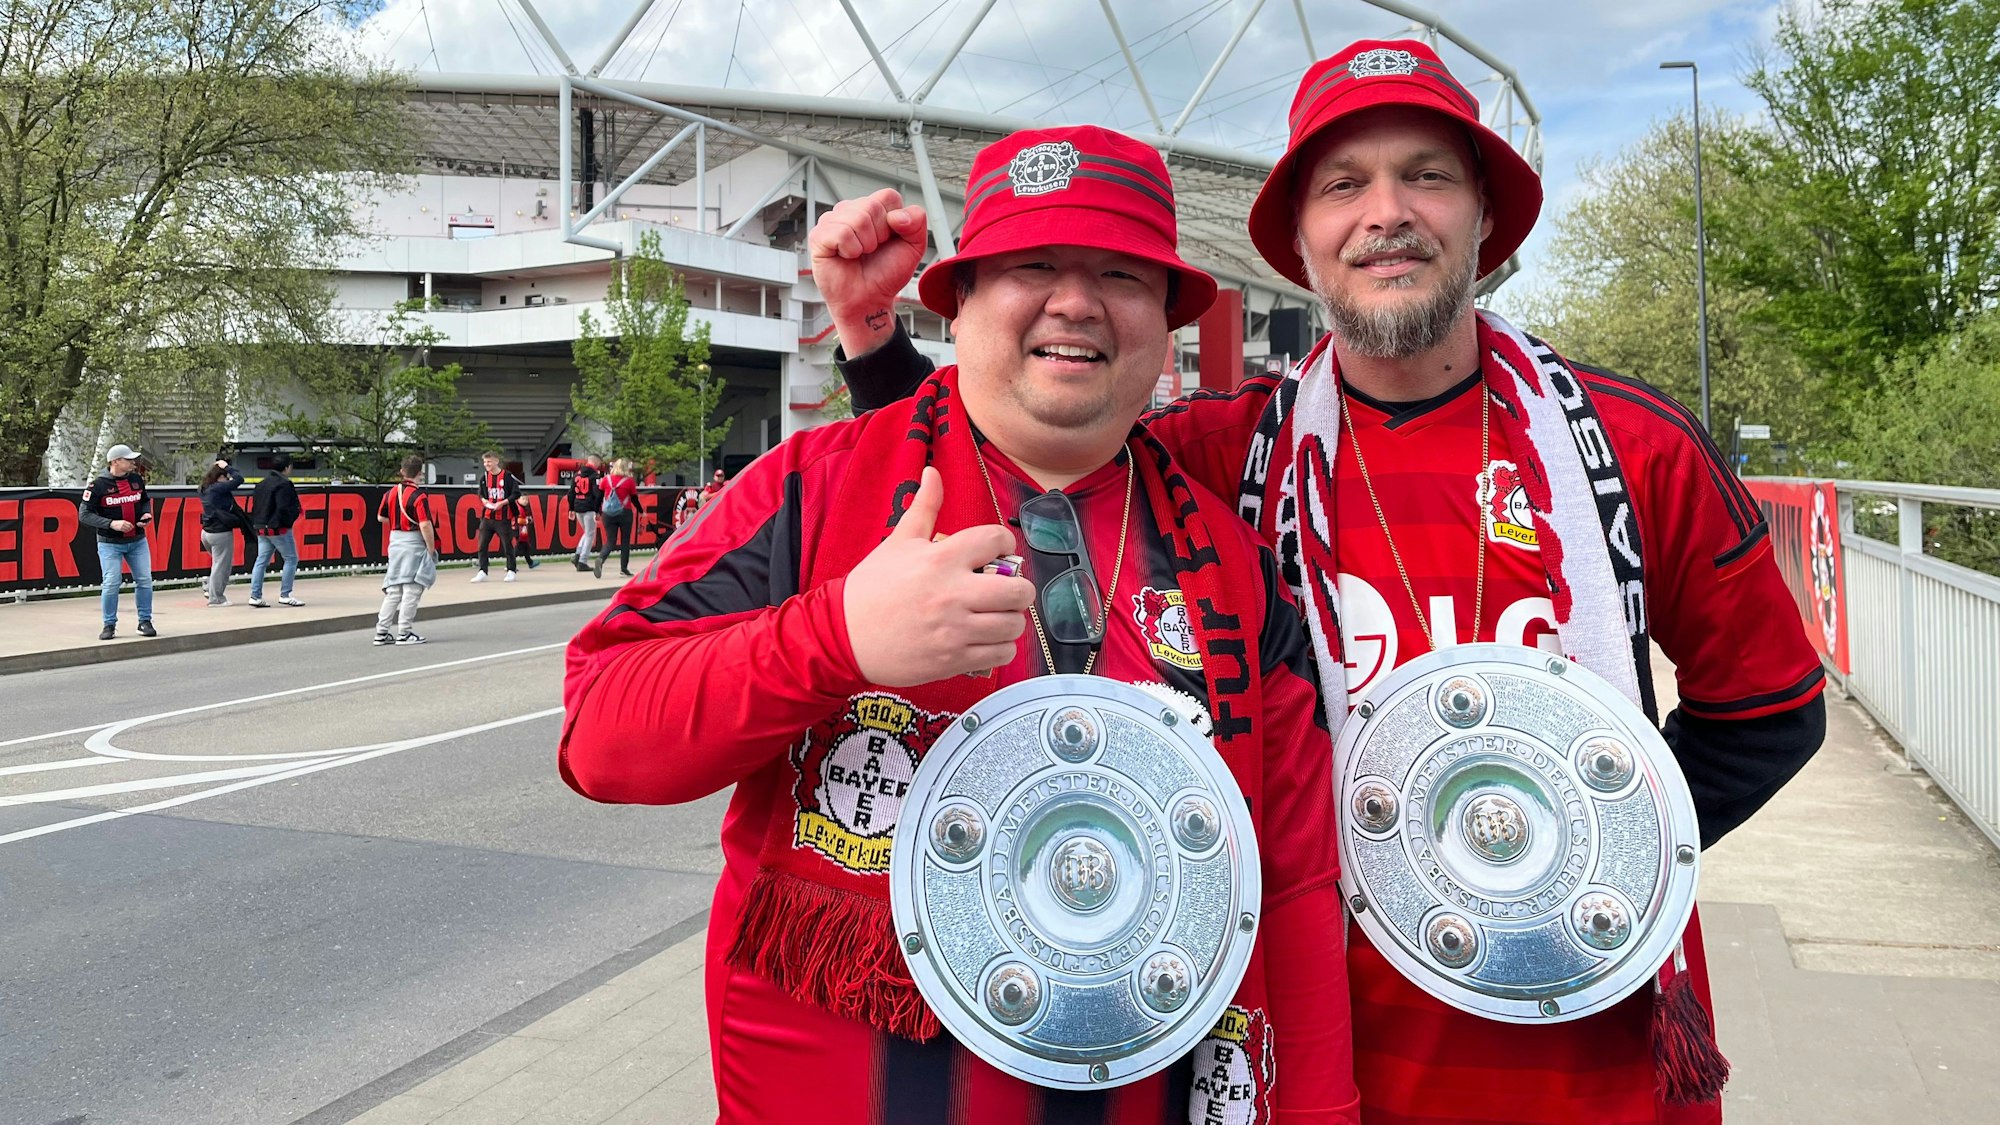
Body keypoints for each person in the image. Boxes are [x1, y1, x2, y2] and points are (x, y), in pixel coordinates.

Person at [823, 41, 1827, 1125]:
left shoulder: (1634, 449)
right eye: (1342, 185)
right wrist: (875, 342)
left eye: (1426, 175)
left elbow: (1769, 714)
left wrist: (1597, 861)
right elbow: (1005, 442)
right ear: (1297, 243)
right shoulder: (1221, 449)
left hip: (1593, 1063)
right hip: (1318, 1063)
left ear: (1483, 218)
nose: (1384, 212)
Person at [561, 125, 1359, 1124]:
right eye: (1031, 266)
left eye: (1120, 274)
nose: (1073, 301)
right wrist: (834, 640)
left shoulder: (1230, 565)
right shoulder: (810, 493)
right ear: (962, 301)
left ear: (1164, 322)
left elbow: (1288, 888)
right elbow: (600, 737)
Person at [78, 443, 157, 641]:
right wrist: (111, 523)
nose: (133, 463)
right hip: (109, 543)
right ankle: (109, 625)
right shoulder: (97, 486)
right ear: (115, 462)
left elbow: (144, 500)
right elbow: (84, 514)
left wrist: (146, 514)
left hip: (137, 540)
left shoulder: (137, 480)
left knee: (145, 580)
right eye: (128, 460)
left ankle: (145, 621)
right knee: (112, 582)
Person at [375, 454, 437, 646]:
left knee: (394, 589)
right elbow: (425, 524)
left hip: (395, 542)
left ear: (402, 471)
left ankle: (381, 631)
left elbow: (380, 518)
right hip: (414, 543)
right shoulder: (419, 496)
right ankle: (404, 632)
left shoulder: (390, 493)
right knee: (412, 588)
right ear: (420, 474)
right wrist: (431, 547)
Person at [248, 454, 304, 607]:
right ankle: (285, 594)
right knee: (291, 558)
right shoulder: (284, 485)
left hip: (261, 528)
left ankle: (255, 595)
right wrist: (289, 521)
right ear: (286, 467)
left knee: (261, 561)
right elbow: (284, 508)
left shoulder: (261, 484)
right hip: (278, 529)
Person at [197, 457, 247, 607]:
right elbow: (239, 479)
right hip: (220, 533)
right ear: (219, 477)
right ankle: (216, 598)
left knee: (217, 564)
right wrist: (228, 467)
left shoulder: (204, 488)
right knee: (222, 566)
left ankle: (209, 587)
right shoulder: (218, 488)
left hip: (206, 532)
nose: (228, 479)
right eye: (226, 477)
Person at [471, 450, 521, 582]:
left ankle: (511, 570)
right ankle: (483, 571)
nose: (487, 464)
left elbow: (516, 494)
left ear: (496, 461)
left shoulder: (507, 477)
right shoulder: (484, 478)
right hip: (487, 517)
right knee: (482, 545)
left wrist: (503, 503)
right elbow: (480, 493)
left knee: (507, 545)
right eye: (485, 462)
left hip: (503, 518)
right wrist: (484, 501)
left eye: (489, 461)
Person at [592, 458, 638, 579]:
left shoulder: (605, 480)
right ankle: (623, 568)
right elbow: (634, 499)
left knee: (610, 541)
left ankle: (601, 559)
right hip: (625, 513)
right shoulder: (629, 482)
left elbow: (598, 497)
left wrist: (597, 511)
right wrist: (642, 511)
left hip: (607, 514)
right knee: (625, 541)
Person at [570, 454, 604, 572]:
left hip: (578, 506)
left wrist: (571, 508)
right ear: (596, 462)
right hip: (589, 507)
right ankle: (582, 561)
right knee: (590, 534)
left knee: (587, 532)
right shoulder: (595, 476)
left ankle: (578, 554)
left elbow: (571, 493)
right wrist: (598, 510)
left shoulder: (577, 475)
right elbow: (597, 494)